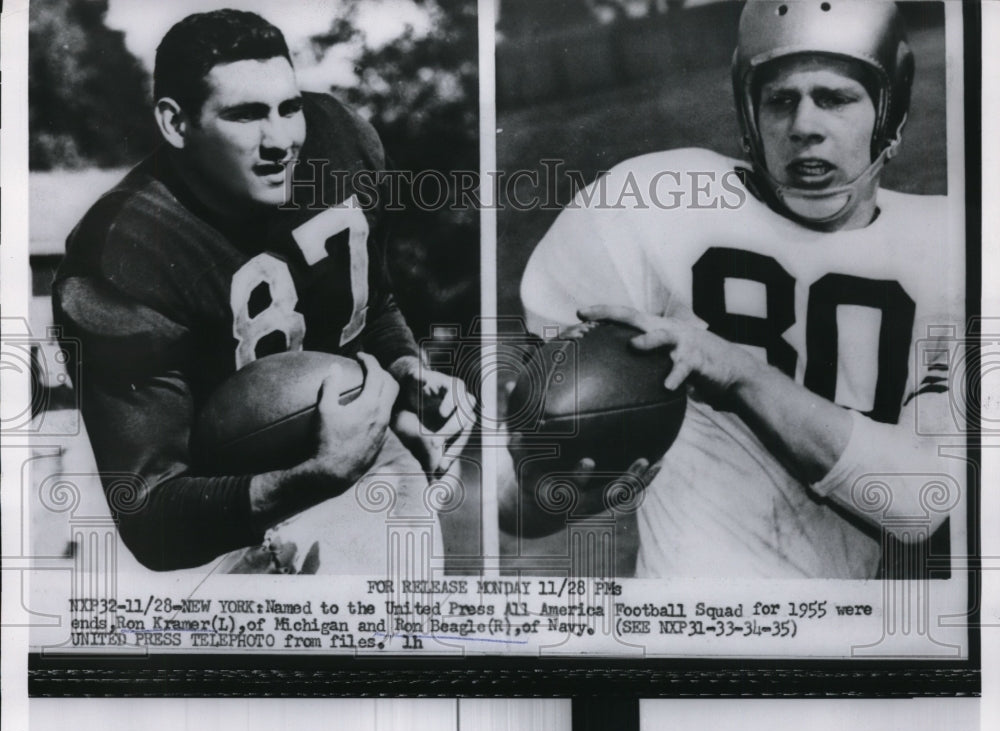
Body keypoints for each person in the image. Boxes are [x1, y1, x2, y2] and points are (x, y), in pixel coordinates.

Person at [503, 0, 962, 578]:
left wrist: (738, 372)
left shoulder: (951, 247)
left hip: (851, 642)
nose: (804, 126)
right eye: (780, 99)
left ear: (889, 107)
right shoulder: (655, 203)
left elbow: (923, 504)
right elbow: (512, 502)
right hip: (686, 631)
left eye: (836, 97)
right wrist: (554, 495)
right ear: (749, 112)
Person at [53, 9, 472, 573]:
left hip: (365, 474)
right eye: (246, 115)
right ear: (176, 124)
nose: (280, 141)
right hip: (222, 531)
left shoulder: (339, 142)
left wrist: (404, 370)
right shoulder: (123, 255)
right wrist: (317, 475)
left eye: (288, 107)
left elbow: (372, 306)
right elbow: (151, 519)